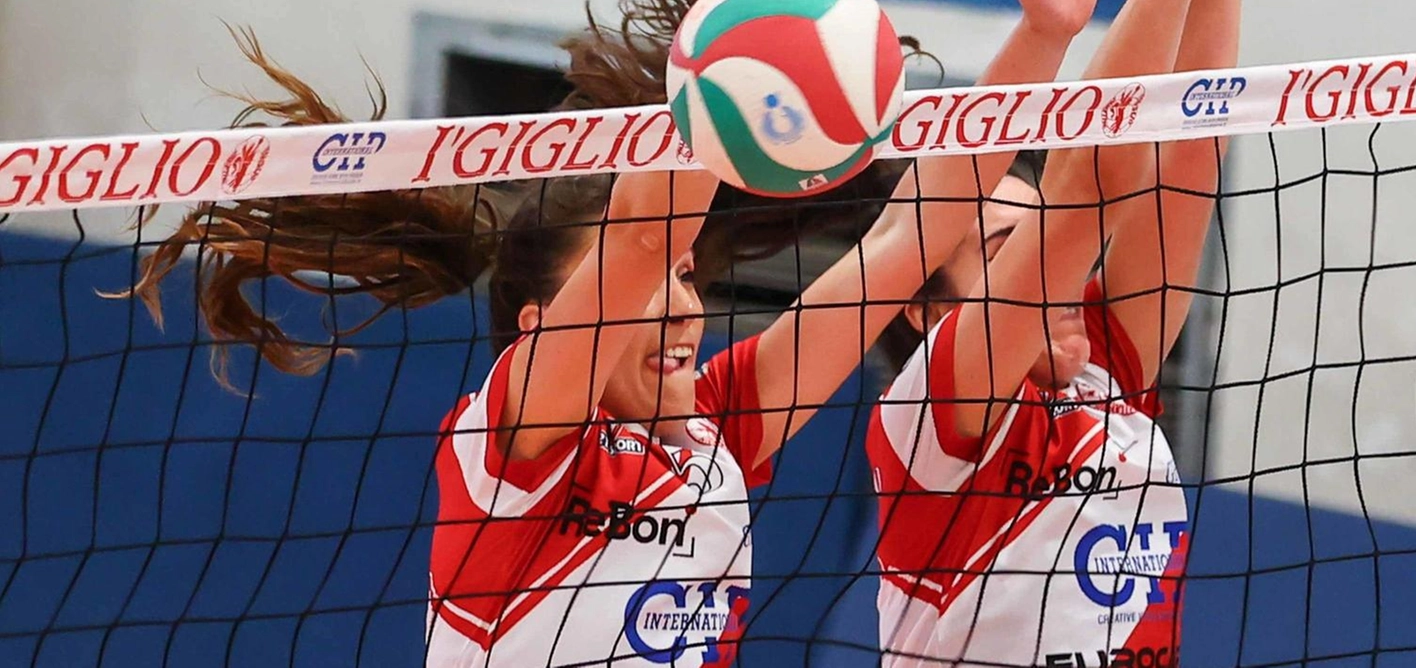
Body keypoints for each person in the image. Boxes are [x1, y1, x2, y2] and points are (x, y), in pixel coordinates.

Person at [115, 0, 1098, 665]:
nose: (682, 303)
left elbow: (910, 236)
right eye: (644, 287)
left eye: (683, 277)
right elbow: (640, 231)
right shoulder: (513, 448)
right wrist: (730, 54)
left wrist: (1046, 37)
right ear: (540, 328)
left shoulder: (719, 433)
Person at [865, 0, 1240, 665]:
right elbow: (1090, 186)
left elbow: (1192, 155)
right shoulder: (931, 405)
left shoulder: (1104, 375)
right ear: (926, 311)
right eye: (1012, 251)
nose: (1058, 272)